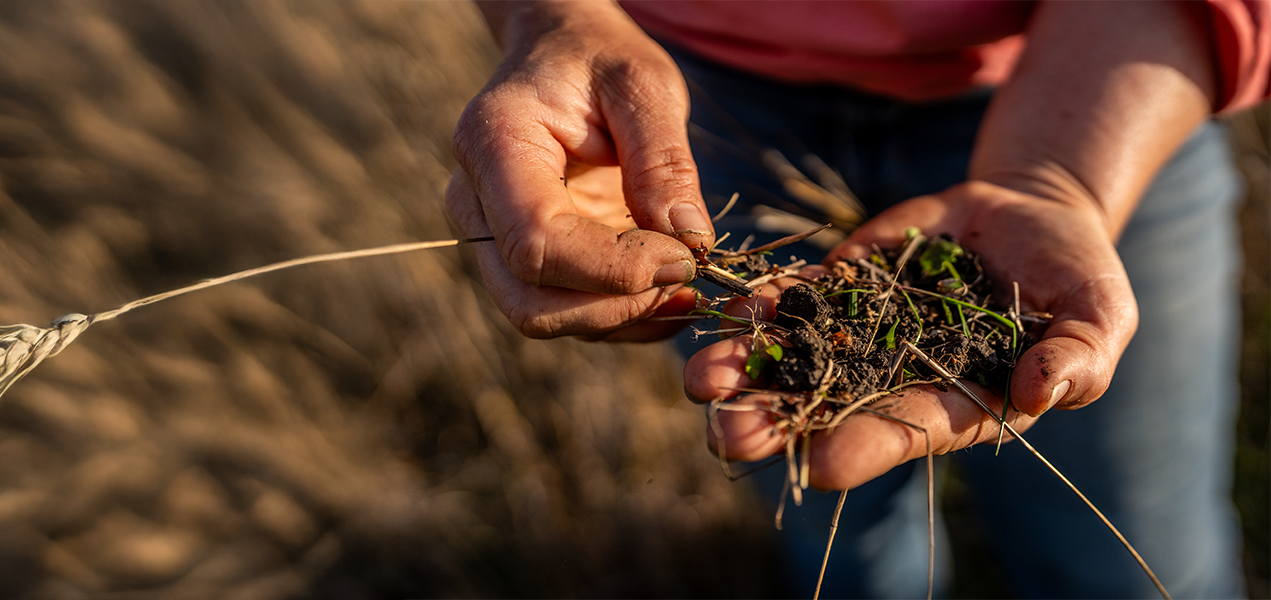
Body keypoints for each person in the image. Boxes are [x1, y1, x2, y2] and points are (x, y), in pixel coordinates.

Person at [446, 1, 1267, 596]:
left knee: (1132, 560)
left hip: (1106, 74)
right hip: (689, 94)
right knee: (838, 544)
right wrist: (556, 18)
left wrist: (1058, 182)